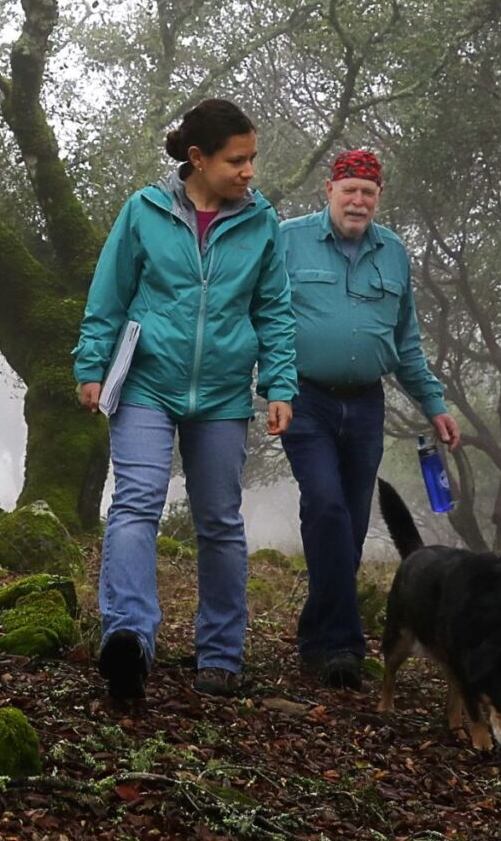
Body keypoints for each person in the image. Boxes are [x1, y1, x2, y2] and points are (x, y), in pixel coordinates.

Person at [74, 97, 297, 708]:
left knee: (220, 521)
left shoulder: (261, 223)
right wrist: (91, 365)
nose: (250, 171)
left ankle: (221, 654)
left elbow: (274, 309)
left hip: (224, 393)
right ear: (197, 159)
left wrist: (279, 383)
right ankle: (128, 639)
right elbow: (109, 293)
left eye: (253, 159)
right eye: (237, 160)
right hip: (147, 380)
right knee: (136, 503)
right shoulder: (144, 212)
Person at [278, 147, 459, 688]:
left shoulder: (394, 253)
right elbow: (264, 315)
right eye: (348, 189)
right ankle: (340, 646)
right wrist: (275, 385)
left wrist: (434, 403)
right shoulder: (288, 240)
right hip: (304, 398)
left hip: (366, 404)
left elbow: (406, 343)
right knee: (328, 509)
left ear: (378, 198)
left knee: (352, 524)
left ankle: (316, 631)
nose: (358, 200)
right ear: (328, 191)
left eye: (368, 192)